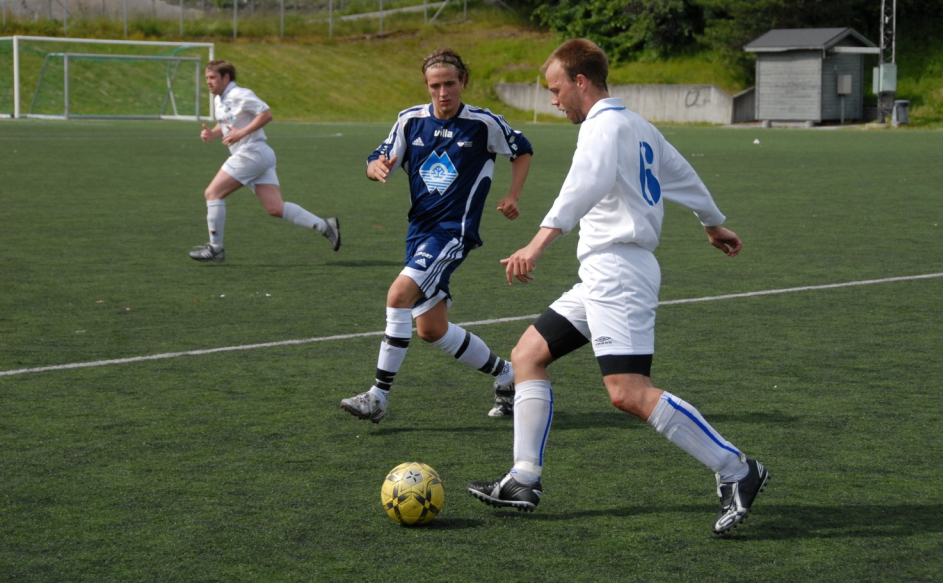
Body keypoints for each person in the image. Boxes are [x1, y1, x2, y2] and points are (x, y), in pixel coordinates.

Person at [467, 39, 768, 535]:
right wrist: (712, 222)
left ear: (581, 81)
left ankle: (736, 468)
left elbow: (580, 187)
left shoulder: (601, 127)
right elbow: (682, 174)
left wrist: (535, 245)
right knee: (527, 356)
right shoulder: (638, 125)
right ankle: (523, 478)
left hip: (619, 273)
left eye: (556, 89)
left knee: (628, 392)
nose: (553, 100)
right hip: (603, 274)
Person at [340, 49, 533, 422]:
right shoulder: (410, 120)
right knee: (431, 329)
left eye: (449, 84)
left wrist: (513, 195)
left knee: (398, 294)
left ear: (463, 82)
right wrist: (374, 168)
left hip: (453, 232)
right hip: (419, 232)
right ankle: (508, 375)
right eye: (435, 86)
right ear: (426, 86)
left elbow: (521, 150)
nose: (443, 92)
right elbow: (377, 158)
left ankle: (377, 397)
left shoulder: (483, 123)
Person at [189, 60, 340, 263]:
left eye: (212, 77)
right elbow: (225, 124)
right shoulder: (219, 100)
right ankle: (325, 226)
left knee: (212, 193)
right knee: (275, 208)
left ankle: (215, 248)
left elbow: (266, 115)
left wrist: (241, 133)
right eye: (207, 78)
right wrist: (213, 134)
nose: (208, 81)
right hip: (258, 155)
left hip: (251, 152)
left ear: (226, 77)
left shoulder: (240, 94)